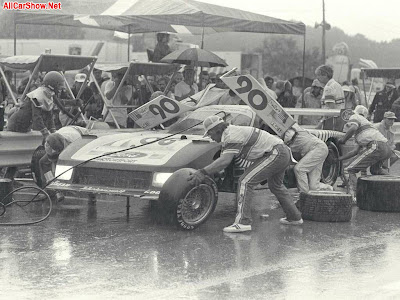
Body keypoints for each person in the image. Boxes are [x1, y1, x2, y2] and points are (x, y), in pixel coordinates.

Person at [188, 116, 303, 233]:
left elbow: (224, 161)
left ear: (216, 130)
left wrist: (202, 172)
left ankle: (243, 222)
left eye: (210, 134)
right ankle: (294, 217)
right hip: (282, 151)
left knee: (245, 182)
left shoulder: (231, 135)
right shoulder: (232, 132)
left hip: (276, 153)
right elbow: (225, 163)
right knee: (276, 186)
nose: (211, 138)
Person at [5, 71, 65, 183]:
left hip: (24, 127)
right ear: (52, 85)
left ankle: (9, 178)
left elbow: (49, 117)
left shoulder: (48, 95)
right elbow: (37, 119)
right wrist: (47, 135)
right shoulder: (38, 95)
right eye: (59, 86)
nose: (61, 89)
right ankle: (7, 179)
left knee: (19, 154)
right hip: (16, 125)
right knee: (11, 153)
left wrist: (54, 132)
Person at [337, 105, 392, 200]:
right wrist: (338, 159)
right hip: (386, 147)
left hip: (376, 146)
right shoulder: (367, 126)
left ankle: (358, 196)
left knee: (348, 169)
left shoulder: (355, 116)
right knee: (375, 170)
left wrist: (343, 140)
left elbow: (353, 128)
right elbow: (355, 151)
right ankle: (394, 185)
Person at [40, 125, 88, 201]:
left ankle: (73, 187)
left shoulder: (73, 144)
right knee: (43, 162)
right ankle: (48, 190)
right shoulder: (49, 141)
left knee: (73, 165)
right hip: (66, 133)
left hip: (83, 135)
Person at [283, 123, 333, 194]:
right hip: (319, 149)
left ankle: (304, 196)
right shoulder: (292, 128)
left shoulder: (291, 129)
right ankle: (328, 189)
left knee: (299, 169)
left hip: (317, 148)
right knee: (313, 187)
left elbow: (288, 136)